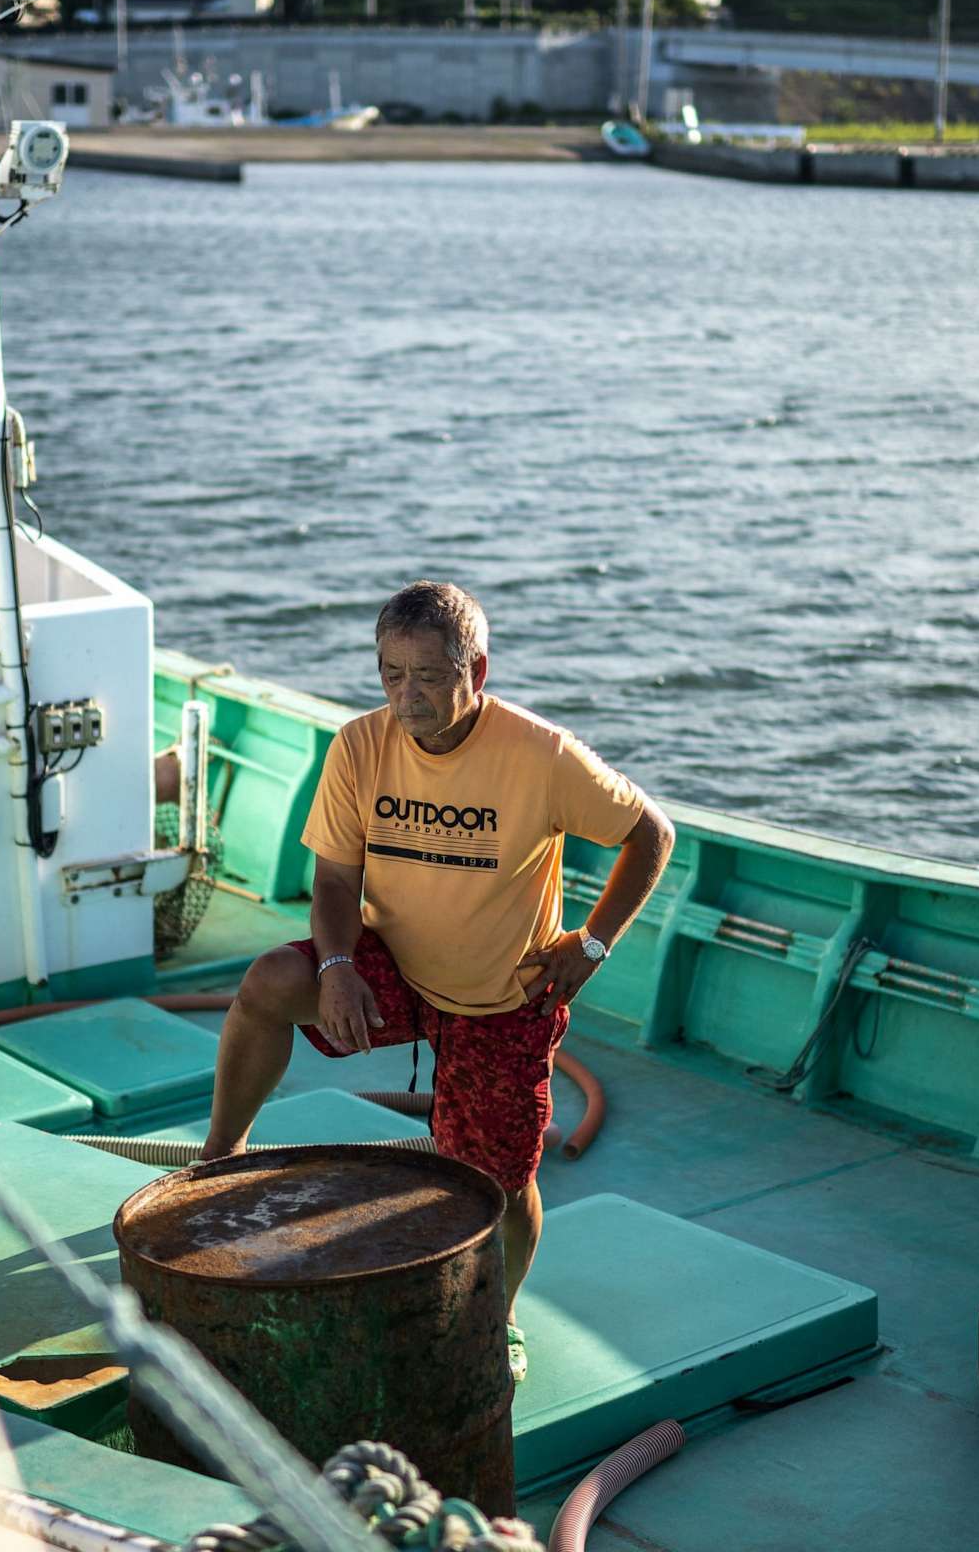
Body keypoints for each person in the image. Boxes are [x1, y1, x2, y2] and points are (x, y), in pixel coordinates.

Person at [201, 581, 675, 1384]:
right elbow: (332, 885)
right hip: (396, 966)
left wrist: (591, 945)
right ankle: (220, 1156)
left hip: (504, 997)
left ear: (476, 670)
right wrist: (341, 966)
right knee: (273, 980)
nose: (406, 696)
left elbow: (651, 835)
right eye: (389, 674)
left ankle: (504, 1312)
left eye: (426, 675)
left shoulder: (540, 754)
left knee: (499, 1179)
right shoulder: (360, 745)